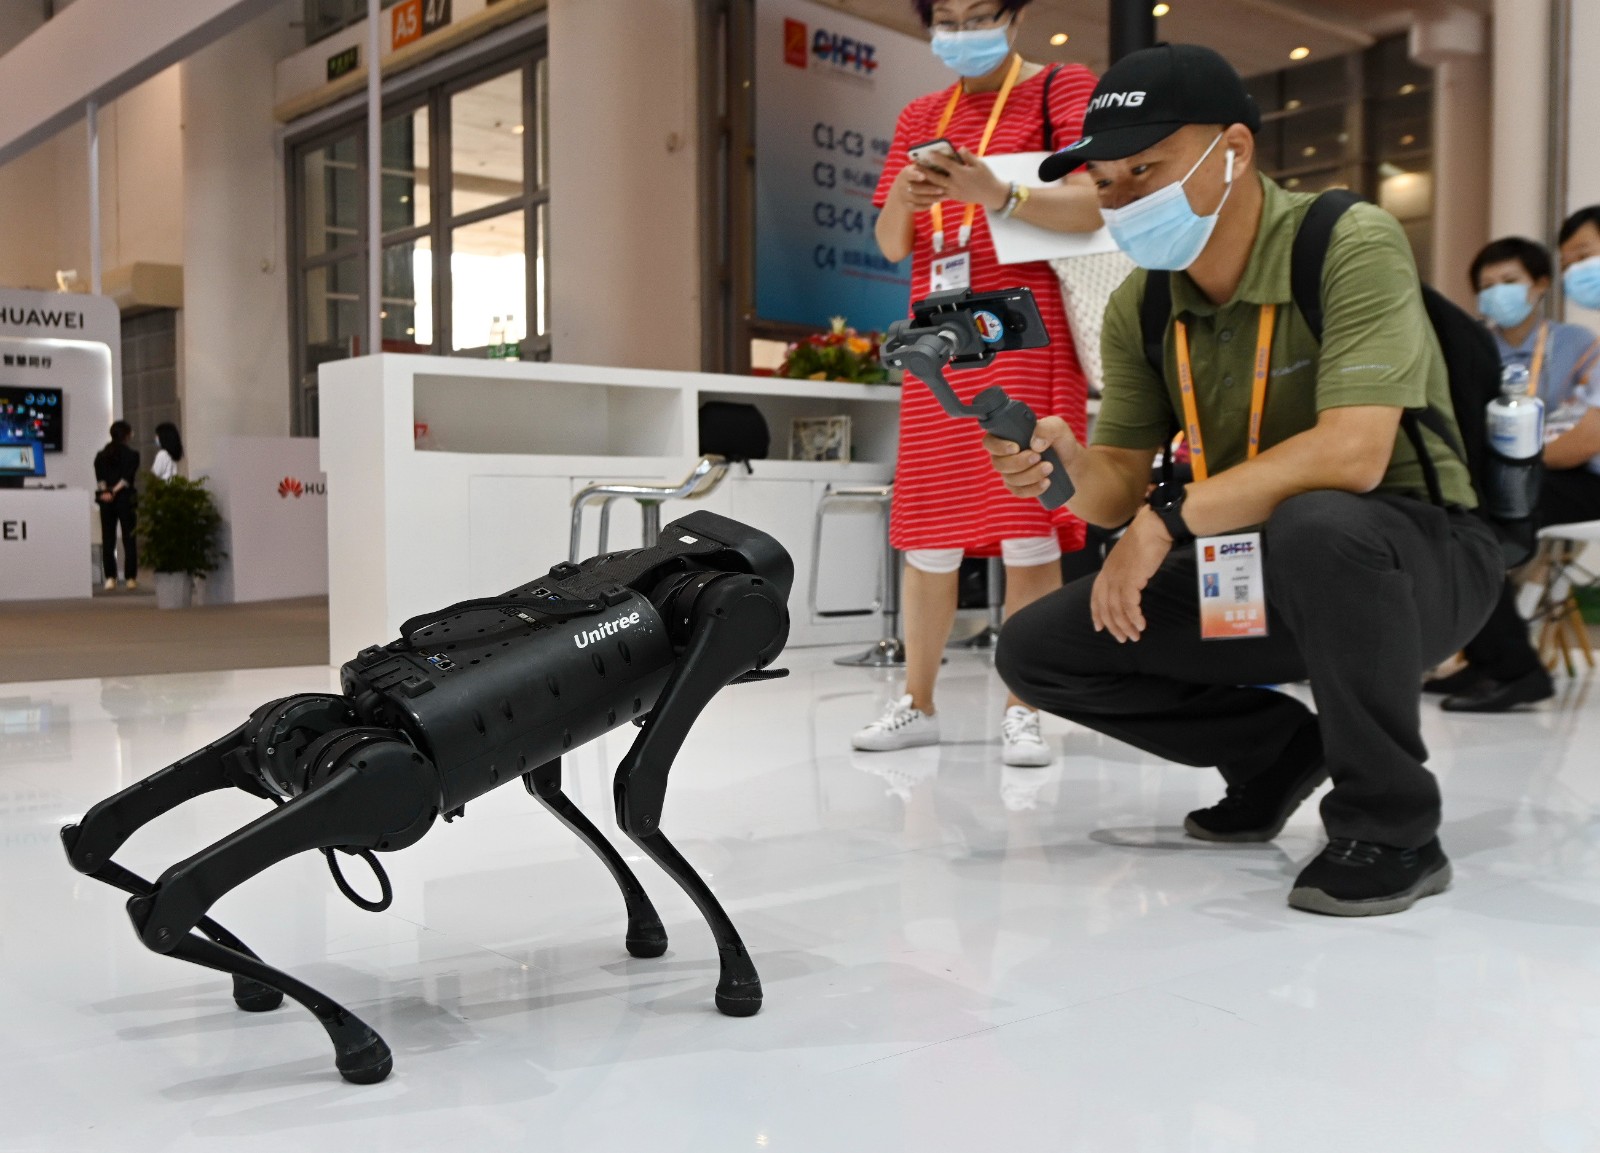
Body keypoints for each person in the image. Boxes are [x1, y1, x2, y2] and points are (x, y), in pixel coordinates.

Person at [984, 44, 1503, 916]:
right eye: (1105, 182)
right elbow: (1114, 488)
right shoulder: (1144, 302)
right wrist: (1065, 467)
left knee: (1320, 521)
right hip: (1257, 567)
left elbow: (1353, 453)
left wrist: (1165, 518)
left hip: (1418, 559)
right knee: (1037, 648)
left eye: (1145, 169)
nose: (1123, 198)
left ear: (1233, 149)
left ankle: (1393, 826)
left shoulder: (1346, 240)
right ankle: (1274, 752)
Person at [856, 0, 1102, 766]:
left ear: (1015, 14)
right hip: (939, 331)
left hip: (1026, 327)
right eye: (949, 18)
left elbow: (1098, 201)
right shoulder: (921, 114)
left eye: (979, 15)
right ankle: (916, 700)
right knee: (927, 526)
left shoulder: (1061, 87)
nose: (963, 33)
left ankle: (1026, 706)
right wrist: (908, 196)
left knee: (1029, 518)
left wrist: (998, 193)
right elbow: (890, 243)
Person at [1424, 234, 1600, 710]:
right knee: (1451, 513)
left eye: (1509, 281)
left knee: (1479, 519)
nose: (1496, 293)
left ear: (1540, 284)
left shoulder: (1575, 344)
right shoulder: (1475, 346)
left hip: (1578, 477)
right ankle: (1485, 660)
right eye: (1486, 286)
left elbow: (1586, 439)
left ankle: (1514, 669)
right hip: (1513, 472)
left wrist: (1514, 464)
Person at [94, 421, 140, 591]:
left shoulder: (101, 455)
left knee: (108, 538)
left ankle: (110, 577)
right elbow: (127, 479)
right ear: (127, 435)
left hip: (105, 501)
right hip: (125, 500)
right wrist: (114, 491)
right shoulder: (133, 455)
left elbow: (100, 479)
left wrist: (106, 492)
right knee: (129, 539)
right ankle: (130, 578)